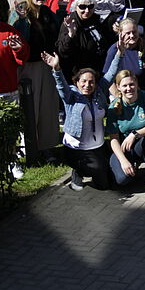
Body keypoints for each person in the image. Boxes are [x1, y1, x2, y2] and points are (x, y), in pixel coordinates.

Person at [44, 49, 120, 191]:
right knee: (100, 175)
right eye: (83, 81)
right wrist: (56, 68)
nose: (87, 85)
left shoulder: (98, 93)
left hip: (98, 147)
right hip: (77, 150)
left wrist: (119, 53)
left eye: (91, 82)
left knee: (106, 184)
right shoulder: (71, 96)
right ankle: (78, 171)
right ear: (77, 82)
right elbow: (61, 85)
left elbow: (111, 73)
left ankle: (94, 169)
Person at [11, 0, 61, 157]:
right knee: (30, 107)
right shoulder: (22, 12)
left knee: (47, 105)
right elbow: (15, 36)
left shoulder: (48, 12)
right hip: (28, 66)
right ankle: (28, 146)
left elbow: (57, 35)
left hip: (47, 65)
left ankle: (46, 145)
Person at [106, 70, 145, 193]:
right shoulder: (113, 107)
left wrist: (134, 134)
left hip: (142, 143)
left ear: (137, 84)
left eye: (132, 84)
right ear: (118, 87)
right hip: (124, 148)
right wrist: (123, 161)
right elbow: (114, 139)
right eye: (124, 85)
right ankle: (130, 167)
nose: (129, 88)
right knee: (122, 180)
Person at [56, 0, 109, 82]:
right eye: (82, 7)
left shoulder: (96, 20)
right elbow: (63, 51)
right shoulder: (70, 22)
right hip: (78, 75)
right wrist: (71, 35)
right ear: (75, 7)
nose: (87, 11)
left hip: (97, 71)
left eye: (90, 6)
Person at [103, 17, 145, 96]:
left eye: (134, 32)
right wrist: (119, 99)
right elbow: (108, 80)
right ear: (120, 33)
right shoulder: (114, 50)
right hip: (122, 95)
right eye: (128, 33)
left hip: (144, 94)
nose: (132, 35)